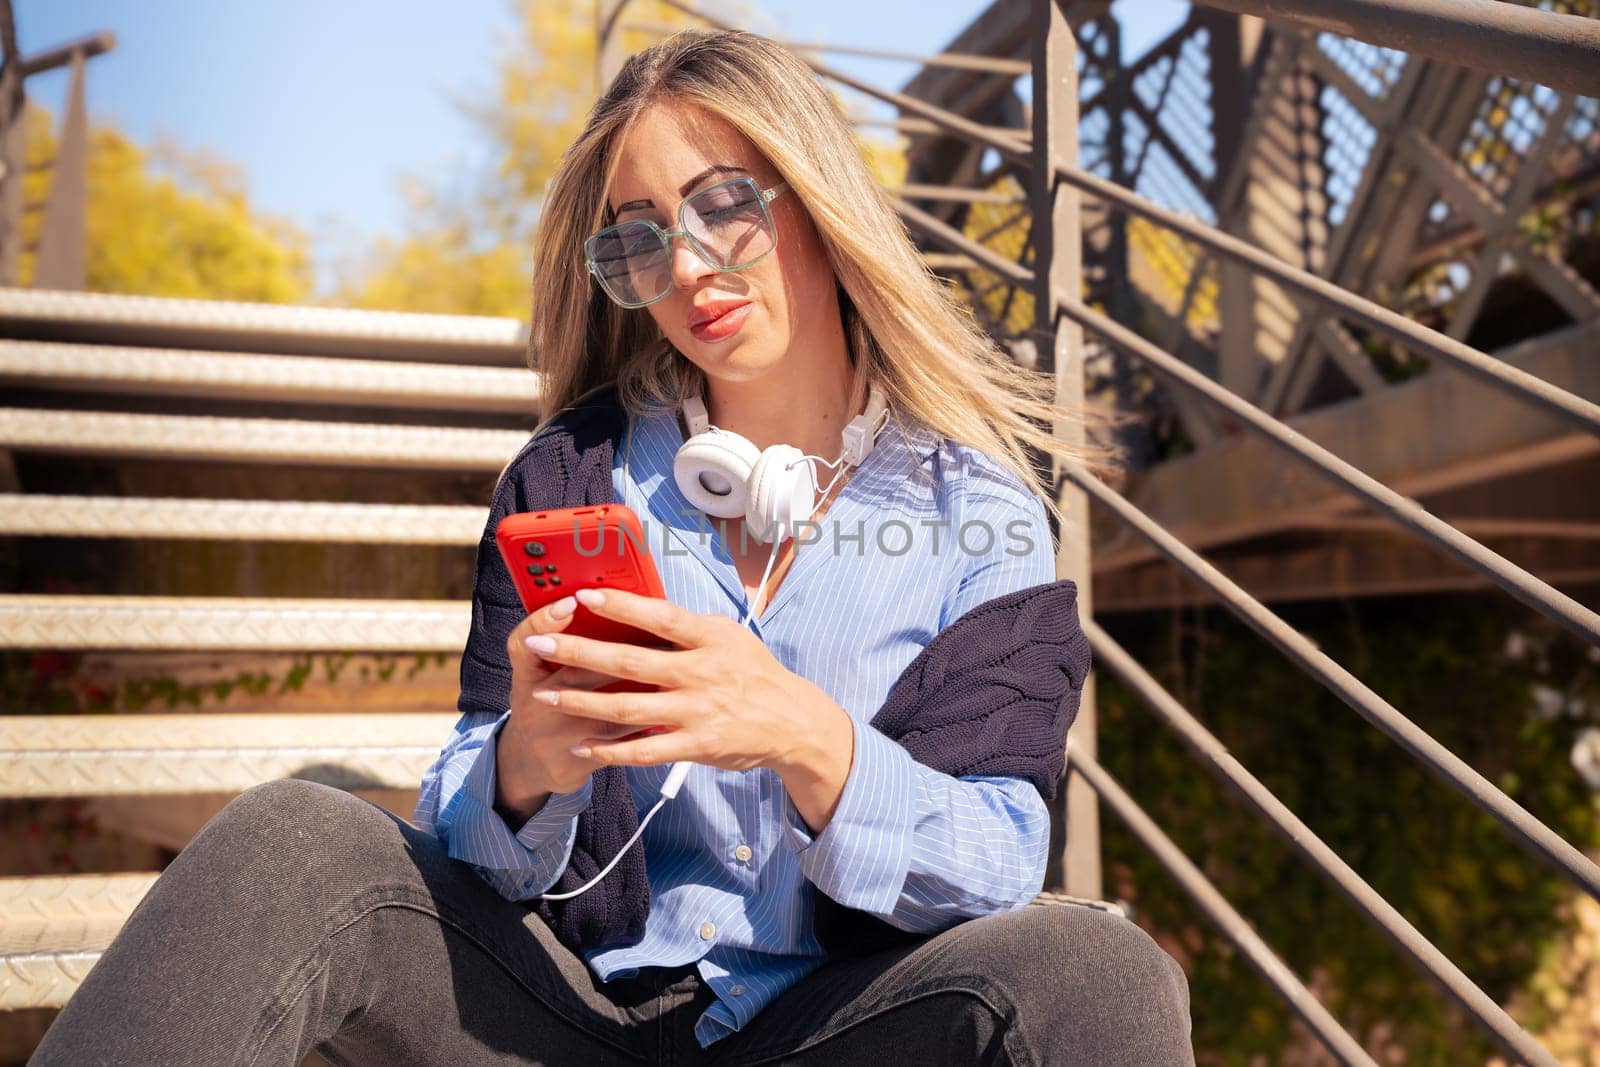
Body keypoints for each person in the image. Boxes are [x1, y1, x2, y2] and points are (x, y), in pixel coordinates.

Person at [29, 27, 1192, 1067]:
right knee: (295, 832)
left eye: (724, 202)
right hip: (570, 1009)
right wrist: (524, 762)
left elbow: (1000, 857)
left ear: (820, 198)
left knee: (1100, 969)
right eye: (639, 239)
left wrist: (805, 736)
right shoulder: (571, 477)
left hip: (839, 1022)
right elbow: (467, 826)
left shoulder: (977, 510)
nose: (686, 267)